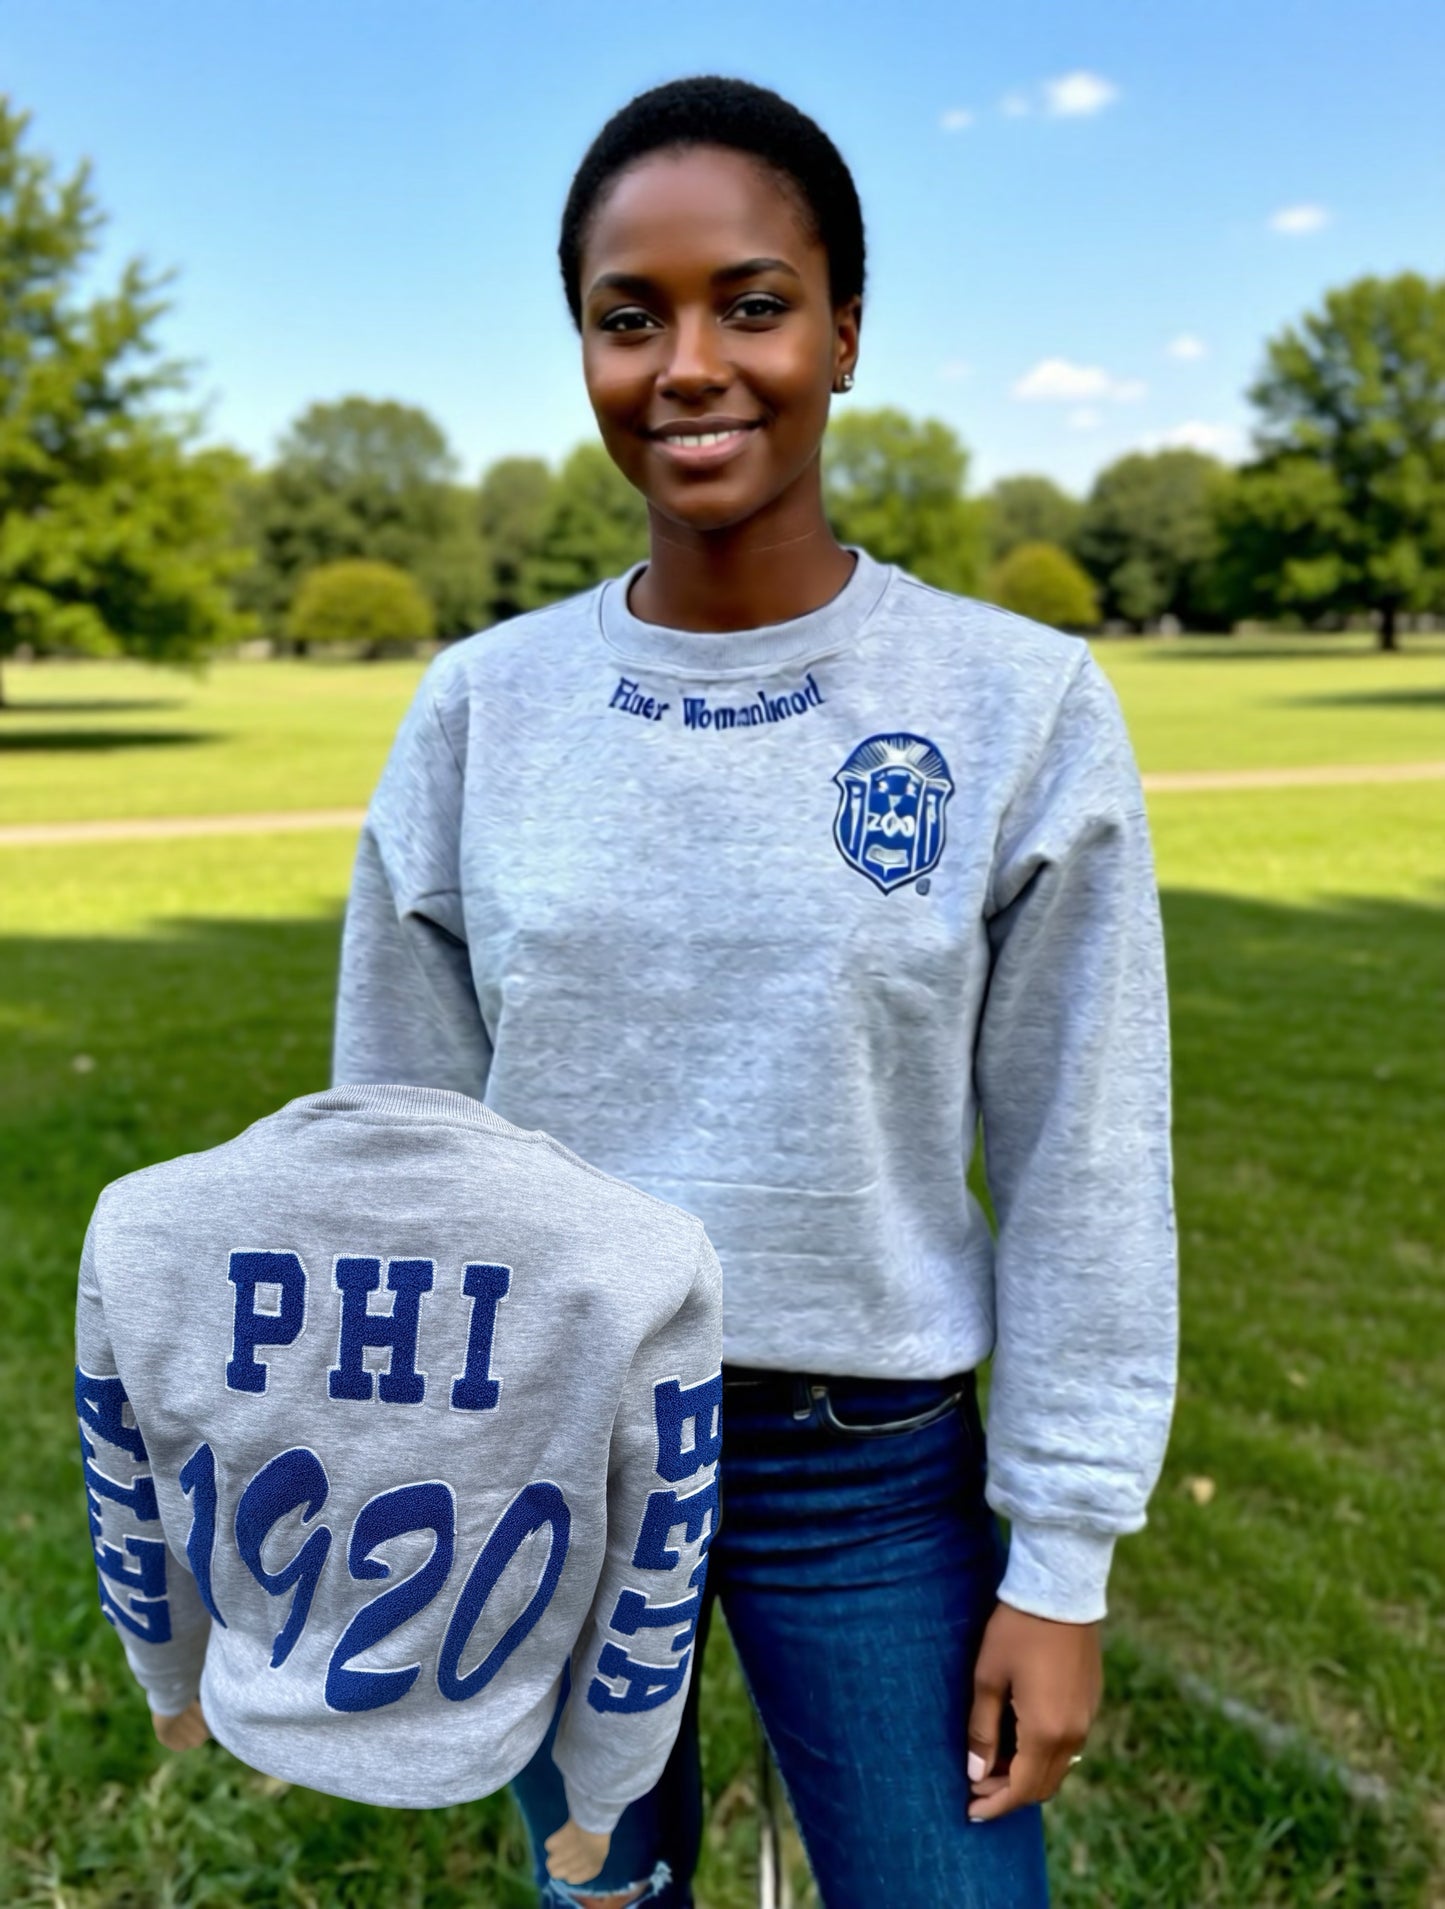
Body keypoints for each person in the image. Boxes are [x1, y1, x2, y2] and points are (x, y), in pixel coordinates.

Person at [332, 73, 1178, 1909]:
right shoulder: (482, 710)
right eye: (630, 317)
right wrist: (430, 1469)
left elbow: (1083, 1155)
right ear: (584, 349)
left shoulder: (1016, 703)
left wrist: (1064, 1559)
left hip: (866, 1475)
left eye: (753, 302)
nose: (689, 362)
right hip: (558, 1454)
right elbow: (401, 1142)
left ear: (845, 332)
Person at [73, 1083, 723, 1889]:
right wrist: (598, 1798)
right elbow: (656, 1565)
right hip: (502, 1727)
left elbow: (125, 1498)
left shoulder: (143, 1221)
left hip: (278, 1703)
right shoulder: (644, 1248)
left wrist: (166, 1681)